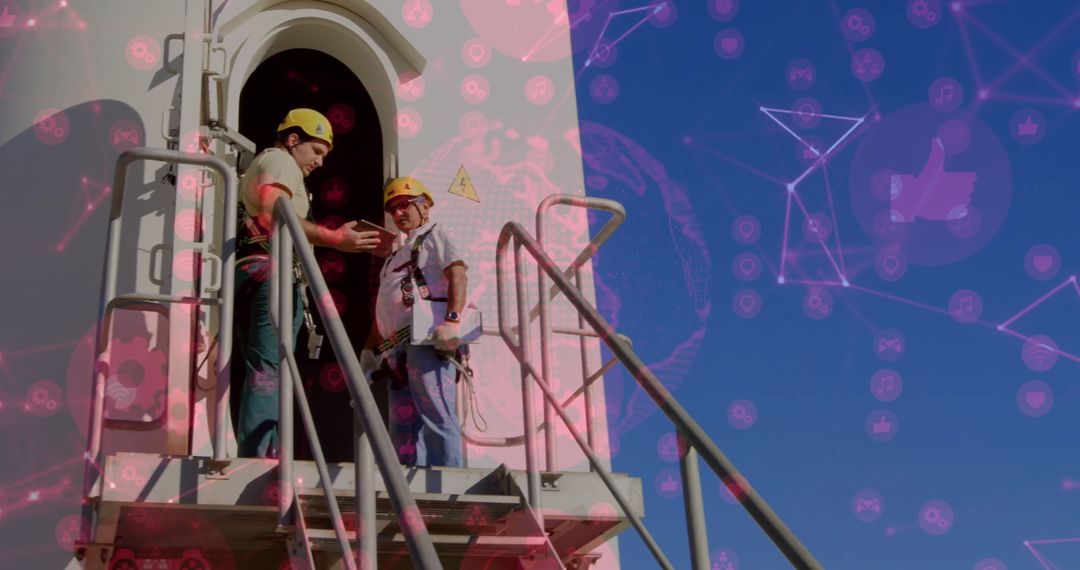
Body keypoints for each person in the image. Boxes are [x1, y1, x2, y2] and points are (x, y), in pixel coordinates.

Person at [233, 108, 382, 458]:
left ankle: (264, 451)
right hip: (271, 271)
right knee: (271, 366)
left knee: (268, 365)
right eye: (316, 150)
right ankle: (260, 456)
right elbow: (274, 211)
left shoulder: (276, 165)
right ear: (292, 139)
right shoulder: (280, 160)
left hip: (264, 272)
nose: (319, 162)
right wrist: (336, 239)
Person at [373, 176, 467, 467]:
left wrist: (452, 322)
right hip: (395, 350)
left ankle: (450, 484)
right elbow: (384, 306)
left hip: (426, 341)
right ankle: (408, 488)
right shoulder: (394, 256)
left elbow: (457, 274)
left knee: (438, 418)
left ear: (425, 205)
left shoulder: (435, 233)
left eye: (404, 204)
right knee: (403, 431)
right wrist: (370, 353)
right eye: (392, 209)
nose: (398, 212)